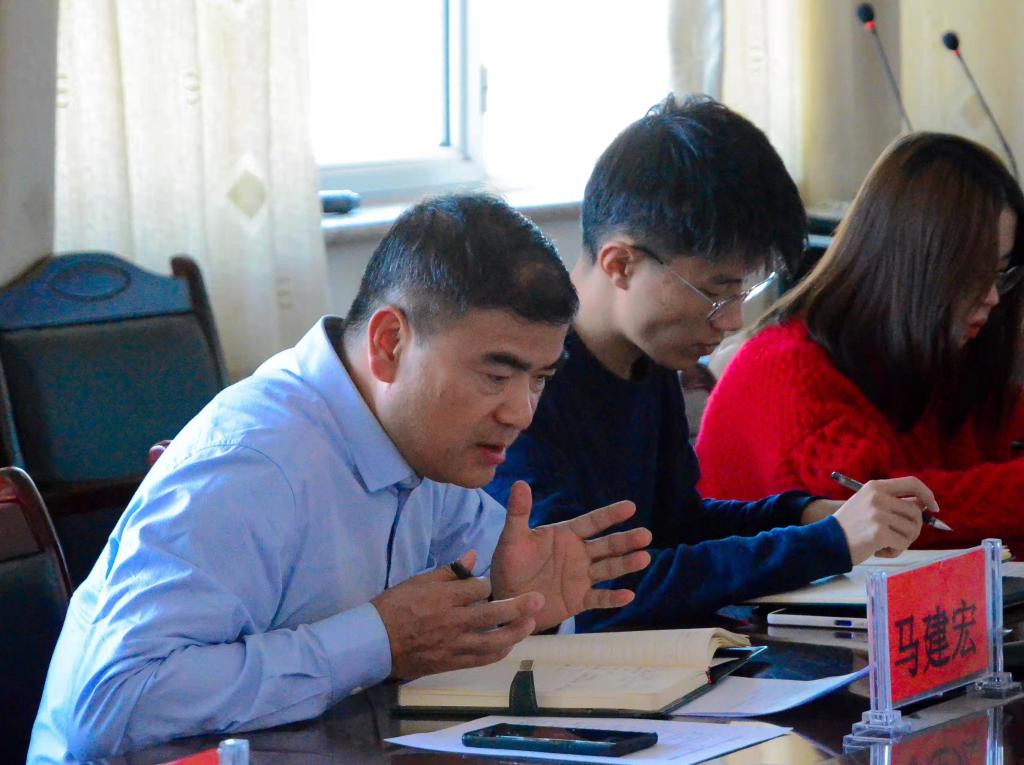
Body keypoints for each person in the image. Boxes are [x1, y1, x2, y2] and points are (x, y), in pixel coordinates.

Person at [29, 195, 653, 763]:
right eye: (496, 375)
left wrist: (514, 609)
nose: (521, 413)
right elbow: (109, 708)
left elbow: (438, 653)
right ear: (389, 343)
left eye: (539, 380)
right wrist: (377, 639)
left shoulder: (437, 446)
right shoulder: (253, 463)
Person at [485, 94, 935, 633]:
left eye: (744, 292)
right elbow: (593, 591)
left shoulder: (646, 359)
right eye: (716, 292)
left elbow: (677, 526)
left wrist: (803, 514)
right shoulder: (525, 386)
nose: (733, 320)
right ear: (621, 264)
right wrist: (825, 543)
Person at [696, 132, 1024, 547]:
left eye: (999, 273)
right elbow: (881, 523)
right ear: (908, 263)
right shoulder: (786, 368)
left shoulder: (941, 355)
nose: (992, 296)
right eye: (971, 273)